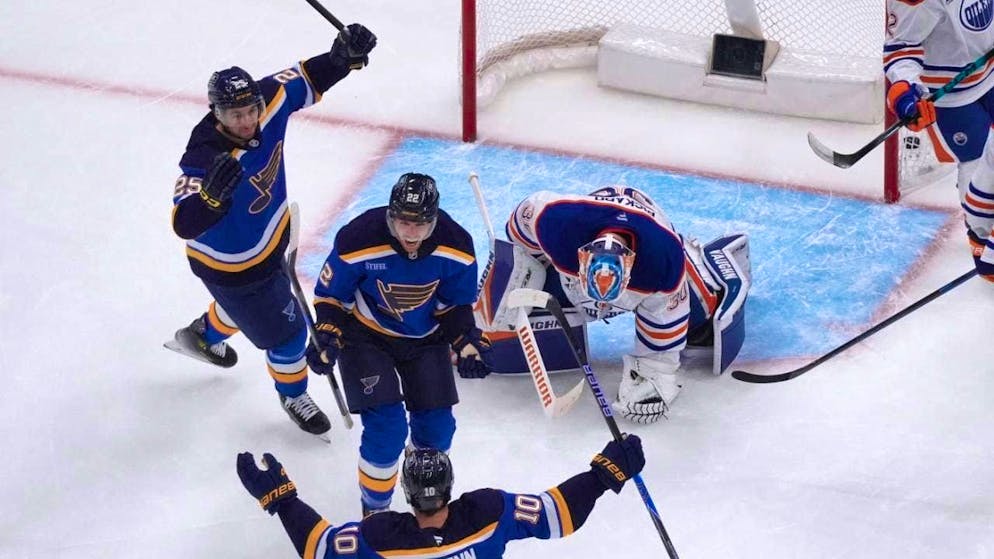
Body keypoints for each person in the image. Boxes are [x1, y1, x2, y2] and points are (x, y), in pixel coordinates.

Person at [166, 23, 377, 438]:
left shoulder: (267, 102)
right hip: (232, 268)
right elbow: (182, 222)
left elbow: (306, 78)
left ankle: (203, 335)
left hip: (272, 240)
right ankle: (292, 392)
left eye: (250, 112)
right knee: (290, 334)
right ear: (215, 112)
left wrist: (341, 57)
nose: (246, 122)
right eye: (233, 115)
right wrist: (209, 199)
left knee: (262, 313)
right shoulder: (203, 157)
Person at [476, 186, 751, 424]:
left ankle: (699, 262)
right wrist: (529, 263)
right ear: (581, 260)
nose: (601, 307)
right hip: (590, 222)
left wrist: (653, 376)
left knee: (700, 310)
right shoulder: (554, 222)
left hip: (651, 226)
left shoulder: (662, 264)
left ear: (629, 268)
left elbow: (663, 335)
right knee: (513, 303)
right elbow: (519, 225)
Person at [305, 173, 494, 516]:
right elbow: (332, 297)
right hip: (366, 337)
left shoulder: (458, 248)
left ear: (434, 219)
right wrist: (328, 333)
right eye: (403, 221)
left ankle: (416, 482)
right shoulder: (358, 238)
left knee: (437, 433)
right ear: (390, 214)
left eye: (420, 224)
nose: (411, 233)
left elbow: (454, 307)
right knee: (386, 430)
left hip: (424, 340)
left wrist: (467, 342)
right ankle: (375, 513)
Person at [236, 434, 645, 558]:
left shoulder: (379, 536)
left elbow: (317, 546)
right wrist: (604, 473)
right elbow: (560, 513)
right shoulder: (488, 513)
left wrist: (282, 499)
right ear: (450, 486)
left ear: (407, 493)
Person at [884, 0, 994, 281]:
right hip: (954, 95)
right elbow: (902, 46)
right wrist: (904, 88)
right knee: (976, 160)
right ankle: (981, 240)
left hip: (991, 69)